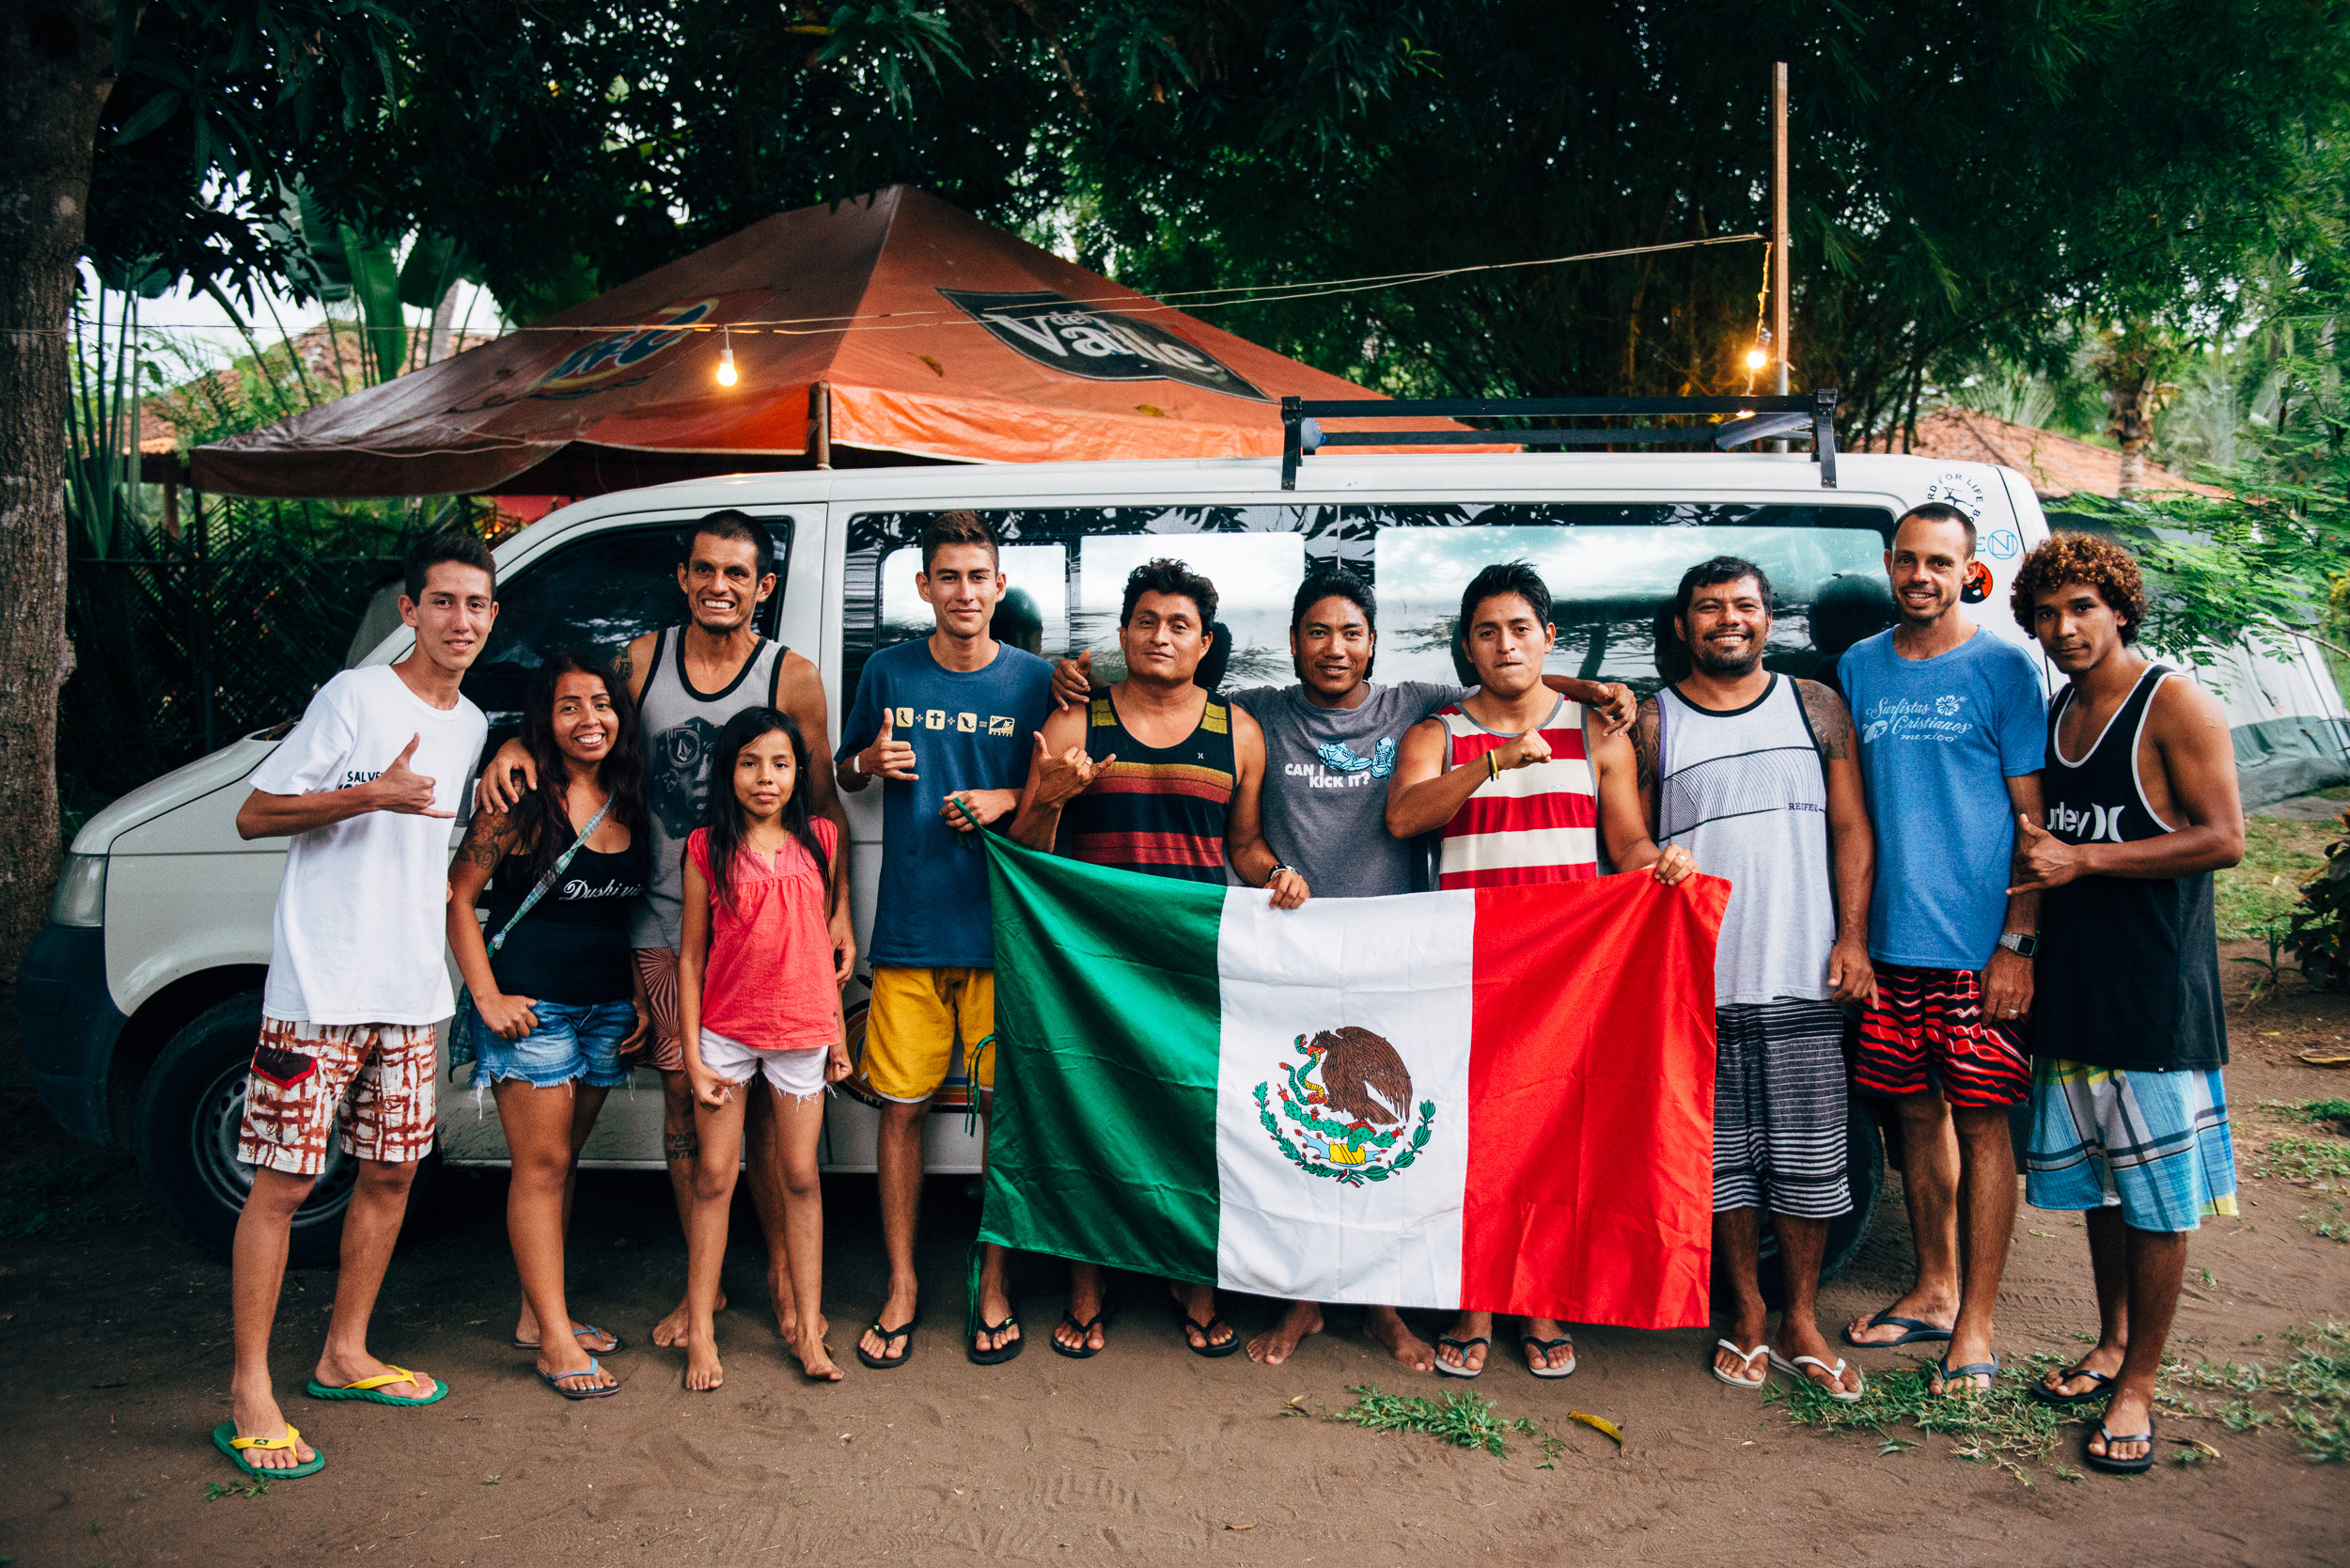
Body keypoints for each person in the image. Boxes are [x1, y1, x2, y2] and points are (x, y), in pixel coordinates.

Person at [476, 511, 850, 1352]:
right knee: (692, 1092)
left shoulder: (790, 675)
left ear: (764, 587)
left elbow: (822, 804)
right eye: (705, 570)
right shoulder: (642, 658)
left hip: (768, 927)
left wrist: (839, 909)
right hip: (663, 916)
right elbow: (579, 718)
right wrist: (508, 741)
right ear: (683, 577)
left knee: (770, 1112)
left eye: (738, 573)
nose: (720, 585)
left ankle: (789, 1281)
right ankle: (704, 1292)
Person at [217, 530, 494, 1477]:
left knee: (390, 1176)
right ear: (409, 610)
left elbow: (438, 858)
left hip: (412, 989)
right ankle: (250, 1388)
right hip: (322, 986)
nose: (462, 620)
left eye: (477, 604)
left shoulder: (473, 725)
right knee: (285, 1185)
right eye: (445, 602)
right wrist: (367, 793)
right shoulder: (353, 699)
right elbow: (255, 814)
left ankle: (346, 1353)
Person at [1384, 561, 1700, 1380]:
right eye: (1487, 632)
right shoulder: (1441, 733)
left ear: (1548, 638)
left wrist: (1656, 863)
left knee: (1556, 1134)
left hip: (1566, 968)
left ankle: (1543, 1301)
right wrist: (1494, 764)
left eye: (1520, 628)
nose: (1505, 644)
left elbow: (1624, 841)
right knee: (1475, 1134)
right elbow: (1404, 817)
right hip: (1470, 963)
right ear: (1467, 647)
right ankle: (1476, 1301)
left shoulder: (1597, 730)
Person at [1010, 557, 1308, 1358]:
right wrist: (1049, 794)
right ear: (1123, 633)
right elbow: (1025, 853)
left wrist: (1277, 873)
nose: (1161, 636)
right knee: (1088, 1120)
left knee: (1189, 1121)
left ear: (1204, 642)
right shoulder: (1076, 726)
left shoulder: (1235, 731)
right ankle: (1086, 1286)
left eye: (1179, 625)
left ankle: (1193, 1281)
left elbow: (1242, 846)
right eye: (1147, 621)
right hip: (1089, 964)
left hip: (1190, 960)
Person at [2006, 535, 2243, 1475]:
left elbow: (2223, 837)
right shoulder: (2062, 711)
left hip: (2153, 995)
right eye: (2048, 615)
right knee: (2103, 1183)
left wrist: (2087, 859)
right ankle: (2107, 1342)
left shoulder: (2169, 702)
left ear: (2118, 610)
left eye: (2081, 610)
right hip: (2076, 987)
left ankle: (2137, 1385)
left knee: (2155, 1199)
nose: (2064, 629)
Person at [1630, 556, 1875, 1401]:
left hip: (1807, 969)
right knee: (1725, 1163)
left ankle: (1800, 1316)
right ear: (1681, 625)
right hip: (1704, 980)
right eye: (1708, 608)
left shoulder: (1815, 704)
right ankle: (1745, 1313)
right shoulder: (1655, 724)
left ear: (1770, 618)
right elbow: (1630, 844)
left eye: (1744, 606)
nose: (1727, 620)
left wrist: (1853, 940)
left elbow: (1851, 828)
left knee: (1809, 1162)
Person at [835, 512, 1055, 1368]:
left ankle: (992, 1282)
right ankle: (902, 1284)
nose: (964, 593)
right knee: (902, 1111)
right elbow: (844, 768)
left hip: (1006, 935)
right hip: (913, 933)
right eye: (947, 578)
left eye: (978, 577)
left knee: (1004, 1115)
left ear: (999, 587)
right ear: (922, 587)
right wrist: (866, 766)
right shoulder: (887, 671)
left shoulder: (1037, 683)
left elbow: (1061, 788)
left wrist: (1009, 801)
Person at [1838, 504, 2047, 1398]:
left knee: (1984, 1124)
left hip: (1976, 947)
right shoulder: (1860, 666)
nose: (1920, 576)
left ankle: (1978, 1323)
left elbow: (2036, 826)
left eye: (1940, 563)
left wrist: (2018, 944)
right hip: (1891, 945)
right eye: (1908, 561)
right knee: (1914, 1119)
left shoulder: (2003, 668)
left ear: (1970, 571)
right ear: (1890, 565)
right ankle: (1933, 1286)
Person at [446, 651, 652, 1401]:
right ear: (545, 719)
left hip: (604, 1011)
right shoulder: (521, 796)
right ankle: (554, 1341)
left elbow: (619, 913)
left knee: (559, 1162)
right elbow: (456, 898)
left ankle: (542, 1318)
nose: (589, 719)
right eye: (569, 707)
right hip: (532, 1009)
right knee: (540, 1169)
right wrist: (488, 999)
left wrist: (632, 995)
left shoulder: (629, 794)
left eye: (601, 703)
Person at [677, 708, 854, 1387]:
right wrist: (692, 1056)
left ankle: (810, 1332)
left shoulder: (821, 840)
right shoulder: (706, 846)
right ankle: (701, 1332)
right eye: (749, 762)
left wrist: (835, 1034)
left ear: (798, 773)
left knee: (801, 1177)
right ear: (728, 770)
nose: (765, 777)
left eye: (780, 764)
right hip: (724, 1030)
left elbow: (822, 948)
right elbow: (691, 959)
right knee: (715, 1178)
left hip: (802, 1030)